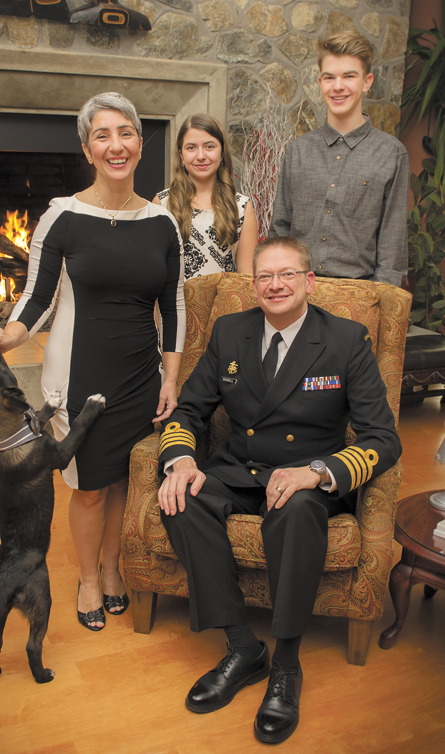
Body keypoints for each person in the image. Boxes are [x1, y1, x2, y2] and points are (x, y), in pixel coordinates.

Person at [158, 236, 401, 744]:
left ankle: (286, 665)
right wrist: (180, 460)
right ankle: (244, 647)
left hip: (305, 476)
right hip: (240, 468)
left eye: (287, 274)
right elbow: (189, 411)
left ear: (309, 282)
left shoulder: (345, 339)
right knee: (179, 499)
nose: (275, 285)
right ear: (254, 286)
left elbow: (383, 438)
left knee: (295, 511)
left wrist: (319, 471)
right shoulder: (230, 332)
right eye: (265, 276)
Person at [0, 92, 185, 632]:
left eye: (126, 133)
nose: (116, 145)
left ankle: (113, 570)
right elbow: (36, 298)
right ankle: (88, 578)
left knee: (121, 483)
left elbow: (173, 305)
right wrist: (10, 334)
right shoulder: (62, 217)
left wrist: (171, 379)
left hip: (141, 377)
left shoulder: (163, 223)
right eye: (103, 136)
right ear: (88, 150)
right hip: (80, 378)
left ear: (140, 144)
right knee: (89, 488)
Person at [269, 31, 409, 288]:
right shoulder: (297, 152)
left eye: (349, 76)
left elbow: (392, 248)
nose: (338, 86)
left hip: (357, 298)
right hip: (297, 296)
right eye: (330, 77)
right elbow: (280, 232)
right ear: (320, 82)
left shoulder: (392, 154)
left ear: (367, 82)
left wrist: (380, 306)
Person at [154, 113, 258, 280]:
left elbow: (246, 281)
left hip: (225, 304)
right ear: (181, 154)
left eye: (209, 147)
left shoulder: (241, 207)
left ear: (222, 153)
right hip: (175, 305)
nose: (201, 155)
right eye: (191, 148)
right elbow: (154, 275)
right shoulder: (162, 204)